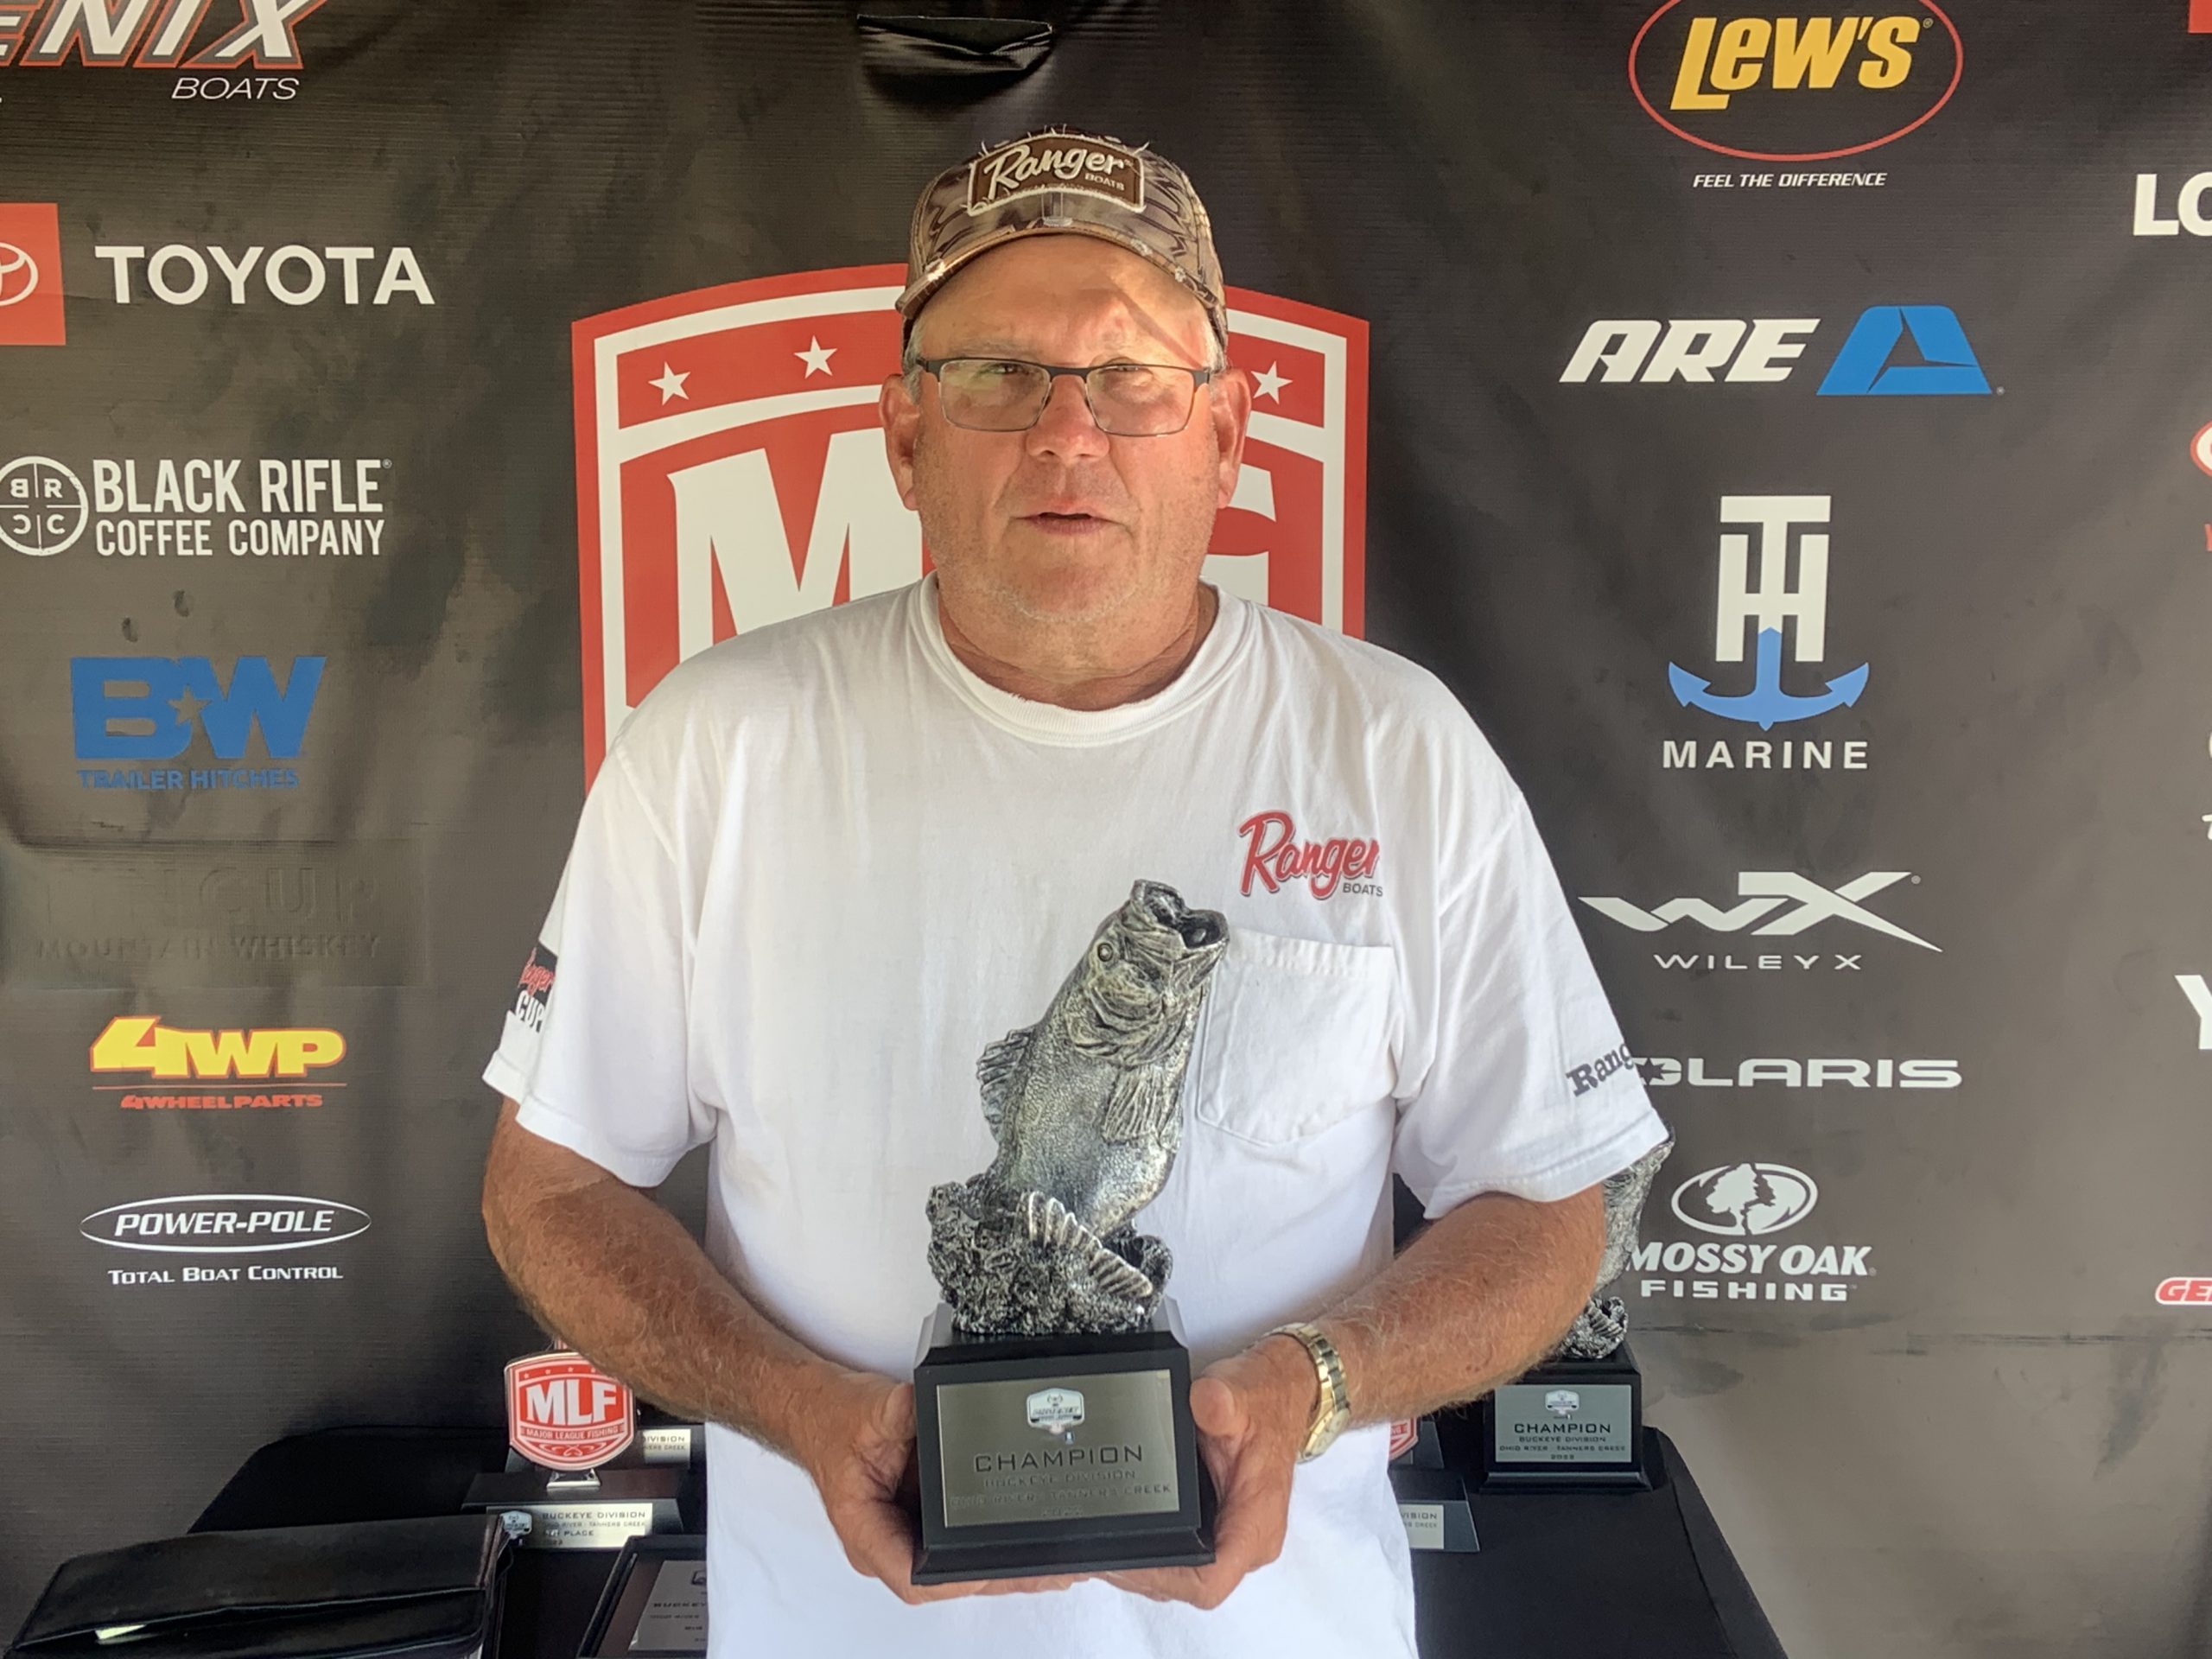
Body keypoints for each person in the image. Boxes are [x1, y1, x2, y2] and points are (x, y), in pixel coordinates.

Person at [480, 126, 1668, 1658]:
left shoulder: (1396, 750)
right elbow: (552, 1191)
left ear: (1226, 433)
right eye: (996, 375)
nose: (1066, 433)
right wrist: (799, 1406)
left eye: (1131, 376)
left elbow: (1550, 1200)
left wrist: (1317, 1382)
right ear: (905, 436)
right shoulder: (717, 744)